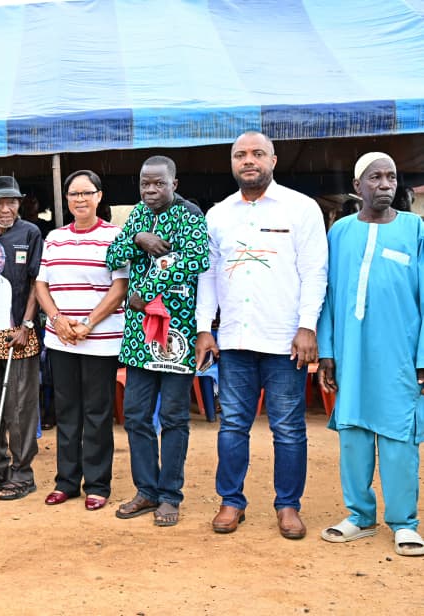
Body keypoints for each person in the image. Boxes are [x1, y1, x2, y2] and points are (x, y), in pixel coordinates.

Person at [195, 131, 328, 539]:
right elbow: (209, 275)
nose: (248, 160)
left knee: (288, 427)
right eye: (240, 155)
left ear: (273, 159)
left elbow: (314, 271)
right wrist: (204, 328)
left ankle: (288, 505)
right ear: (232, 163)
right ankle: (231, 501)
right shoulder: (217, 215)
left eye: (256, 153)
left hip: (284, 339)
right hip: (234, 340)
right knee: (233, 424)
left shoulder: (301, 208)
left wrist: (307, 326)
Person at [317, 152, 424, 557]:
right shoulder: (340, 232)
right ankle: (360, 515)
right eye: (376, 178)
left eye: (391, 178)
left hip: (400, 355)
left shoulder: (415, 230)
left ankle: (404, 522)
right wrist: (327, 352)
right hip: (350, 355)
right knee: (354, 435)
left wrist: (423, 357)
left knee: (399, 437)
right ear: (358, 186)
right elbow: (325, 296)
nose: (385, 185)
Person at [106, 156, 209, 526]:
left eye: (158, 184)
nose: (150, 190)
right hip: (138, 335)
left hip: (174, 332)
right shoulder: (136, 214)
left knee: (173, 417)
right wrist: (138, 237)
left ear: (174, 184)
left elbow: (195, 259)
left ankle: (170, 496)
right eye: (144, 184)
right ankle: (146, 490)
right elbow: (112, 254)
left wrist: (146, 290)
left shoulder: (190, 215)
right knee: (135, 416)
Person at [35, 169, 128, 511]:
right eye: (74, 194)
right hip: (61, 340)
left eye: (87, 193)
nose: (80, 200)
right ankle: (67, 481)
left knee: (97, 411)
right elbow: (41, 285)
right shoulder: (55, 237)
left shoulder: (115, 236)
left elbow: (120, 287)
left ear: (99, 197)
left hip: (100, 339)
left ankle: (98, 484)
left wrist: (88, 323)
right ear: (67, 199)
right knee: (67, 410)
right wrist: (58, 321)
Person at [0, 176, 43, 501]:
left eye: (11, 202)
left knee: (19, 408)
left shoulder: (29, 233)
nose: (5, 209)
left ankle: (22, 473)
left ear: (20, 203)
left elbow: (35, 282)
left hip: (20, 334)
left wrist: (27, 324)